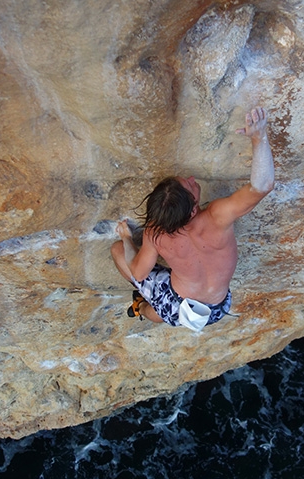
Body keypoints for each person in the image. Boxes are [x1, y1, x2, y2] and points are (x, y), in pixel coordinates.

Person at [110, 106, 274, 328]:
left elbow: (138, 273)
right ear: (193, 208)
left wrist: (127, 240)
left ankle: (142, 308)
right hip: (218, 308)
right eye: (189, 185)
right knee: (160, 306)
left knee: (119, 253)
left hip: (177, 305)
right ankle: (146, 307)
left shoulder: (156, 234)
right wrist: (259, 136)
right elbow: (262, 186)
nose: (191, 178)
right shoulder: (217, 218)